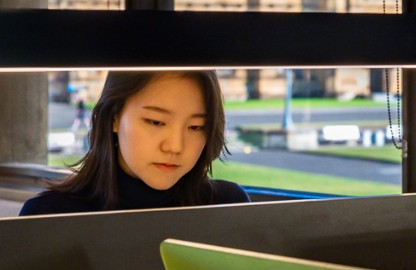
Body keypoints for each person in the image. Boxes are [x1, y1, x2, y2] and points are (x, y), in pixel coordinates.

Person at [20, 70, 248, 215]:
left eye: (196, 127)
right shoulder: (49, 215)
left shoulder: (227, 206)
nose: (175, 146)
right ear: (114, 118)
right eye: (156, 122)